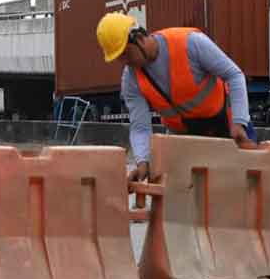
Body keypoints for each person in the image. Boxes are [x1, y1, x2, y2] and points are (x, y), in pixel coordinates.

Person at [95, 13, 255, 182]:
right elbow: (140, 127)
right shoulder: (131, 79)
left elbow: (234, 75)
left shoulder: (190, 43)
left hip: (228, 126)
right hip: (185, 140)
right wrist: (143, 161)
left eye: (126, 54)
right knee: (190, 198)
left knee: (244, 189)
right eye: (119, 58)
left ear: (139, 38)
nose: (125, 62)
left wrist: (239, 123)